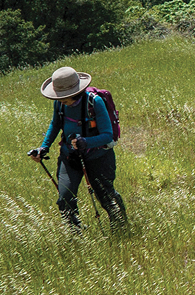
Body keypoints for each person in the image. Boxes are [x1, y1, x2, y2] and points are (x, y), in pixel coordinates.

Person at [28, 65, 126, 231]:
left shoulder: (94, 102)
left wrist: (85, 143)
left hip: (98, 156)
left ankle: (121, 228)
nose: (60, 101)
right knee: (64, 198)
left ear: (75, 93)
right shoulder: (60, 105)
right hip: (69, 156)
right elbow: (55, 124)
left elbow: (107, 135)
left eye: (64, 98)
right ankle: (76, 235)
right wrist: (43, 147)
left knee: (106, 196)